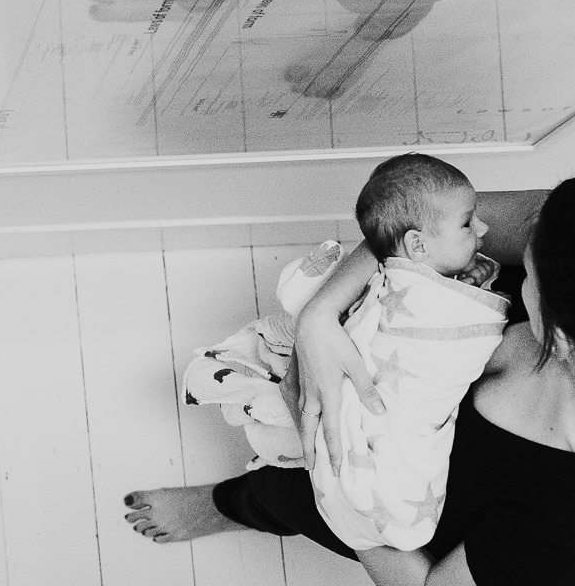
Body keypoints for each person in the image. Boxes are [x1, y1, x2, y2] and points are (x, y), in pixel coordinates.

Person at [124, 171, 575, 586]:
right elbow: (426, 222)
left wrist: (339, 472)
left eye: (529, 275)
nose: (502, 244)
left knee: (284, 495)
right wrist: (320, 319)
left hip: (393, 501)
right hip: (396, 359)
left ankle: (231, 505)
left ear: (563, 337)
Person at [179, 154, 509, 551]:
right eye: (469, 223)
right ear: (417, 245)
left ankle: (255, 476)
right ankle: (252, 461)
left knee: (302, 454)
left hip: (359, 422)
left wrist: (466, 285)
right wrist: (318, 315)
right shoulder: (398, 274)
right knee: (304, 432)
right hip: (341, 391)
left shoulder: (428, 269)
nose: (484, 228)